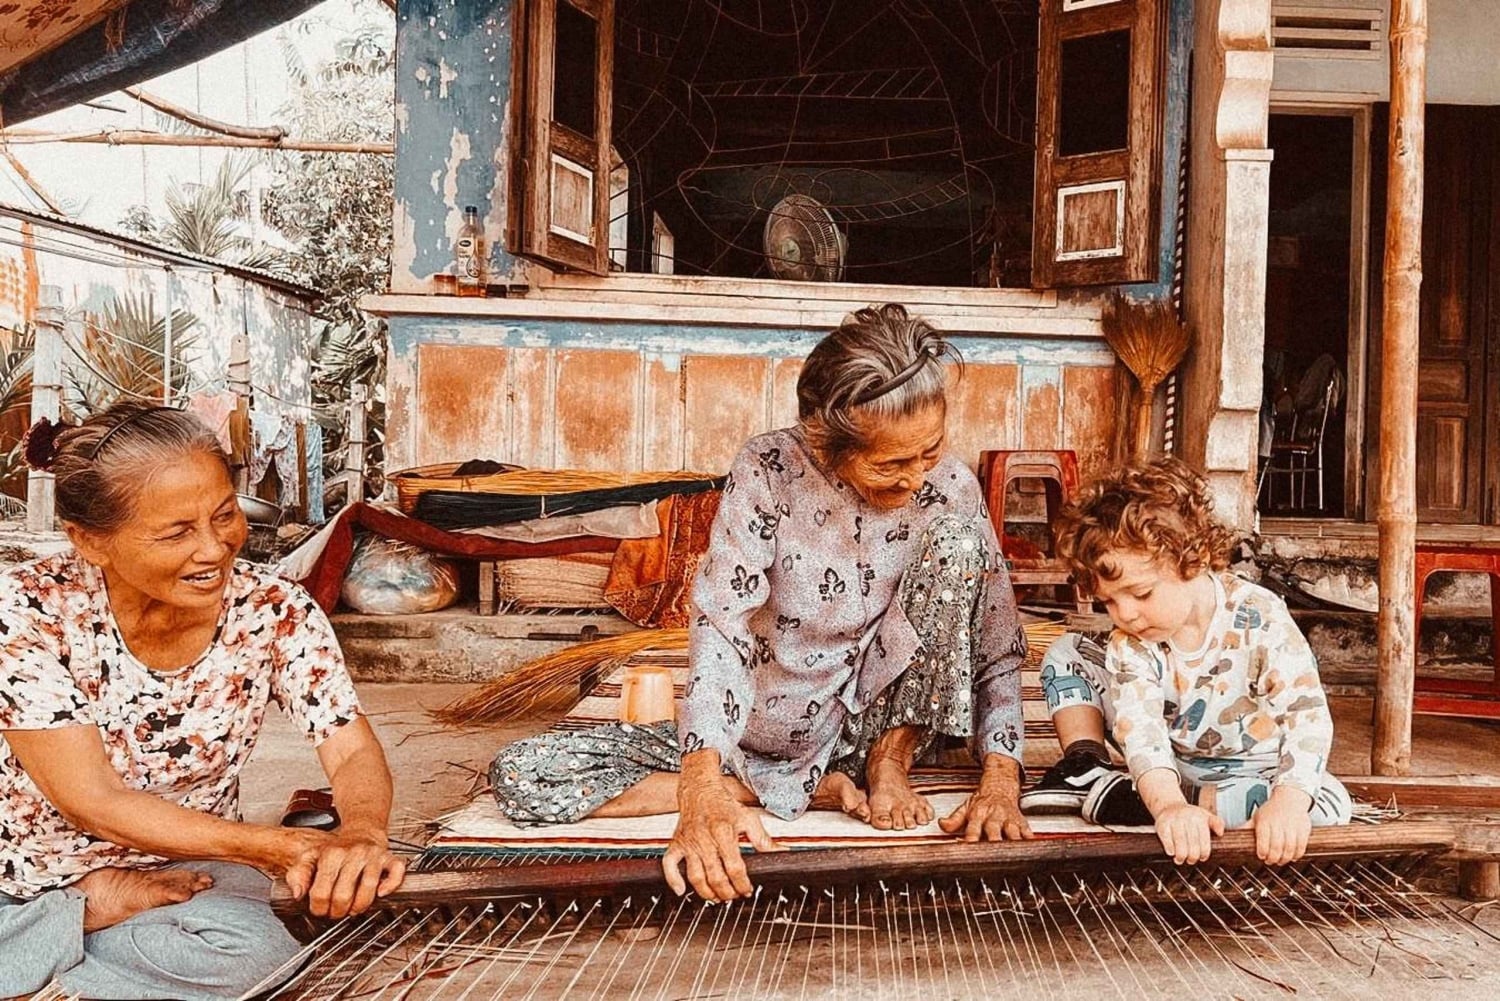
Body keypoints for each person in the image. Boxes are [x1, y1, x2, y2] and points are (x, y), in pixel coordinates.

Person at [490, 303, 1032, 901]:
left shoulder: (949, 486)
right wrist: (700, 787)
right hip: (769, 732)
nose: (915, 478)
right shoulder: (768, 469)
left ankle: (886, 764)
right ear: (826, 448)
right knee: (524, 778)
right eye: (891, 464)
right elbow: (722, 624)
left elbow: (998, 642)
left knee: (957, 543)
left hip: (886, 720)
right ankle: (786, 786)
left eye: (928, 452)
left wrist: (1000, 780)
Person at [0, 403, 406, 1000]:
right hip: (25, 876)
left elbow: (347, 747)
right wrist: (280, 846)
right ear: (90, 541)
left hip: (193, 872)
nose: (215, 550)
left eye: (224, 516)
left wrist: (364, 833)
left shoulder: (273, 609)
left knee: (255, 957)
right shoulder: (28, 612)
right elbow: (93, 802)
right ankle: (74, 916)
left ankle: (44, 953)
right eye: (176, 533)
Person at [1021, 458, 1350, 866]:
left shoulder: (1260, 616)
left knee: (1329, 804)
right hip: (1175, 770)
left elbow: (1307, 716)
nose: (1124, 614)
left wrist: (1288, 802)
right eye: (1108, 601)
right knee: (1067, 650)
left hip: (1258, 769)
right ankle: (1121, 784)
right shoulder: (1131, 643)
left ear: (1191, 561)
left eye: (1140, 594)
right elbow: (1141, 734)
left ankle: (1132, 801)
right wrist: (1168, 805)